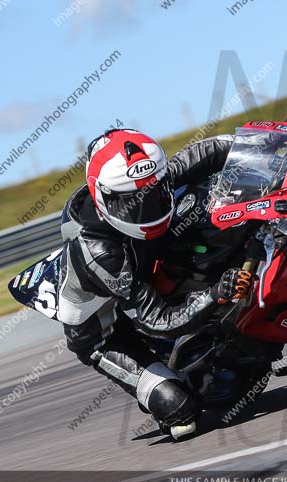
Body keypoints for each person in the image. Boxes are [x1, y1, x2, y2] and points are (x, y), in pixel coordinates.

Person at [56, 128, 245, 438]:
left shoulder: (150, 177)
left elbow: (213, 148)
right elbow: (157, 320)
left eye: (154, 194)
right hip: (106, 329)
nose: (148, 208)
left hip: (145, 268)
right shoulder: (99, 252)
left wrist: (280, 138)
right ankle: (172, 382)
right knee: (182, 413)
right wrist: (216, 294)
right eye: (132, 204)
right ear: (104, 197)